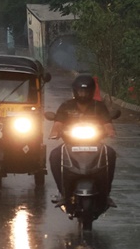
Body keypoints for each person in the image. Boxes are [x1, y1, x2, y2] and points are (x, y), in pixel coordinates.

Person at [48, 74, 117, 206]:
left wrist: (111, 132)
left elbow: (107, 123)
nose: (83, 94)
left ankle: (105, 193)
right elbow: (57, 124)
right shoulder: (66, 106)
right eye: (80, 91)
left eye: (86, 91)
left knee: (111, 154)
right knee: (55, 156)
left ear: (91, 92)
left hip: (94, 143)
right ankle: (63, 192)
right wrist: (55, 133)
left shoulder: (99, 106)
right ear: (75, 91)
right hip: (71, 143)